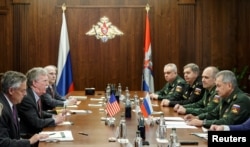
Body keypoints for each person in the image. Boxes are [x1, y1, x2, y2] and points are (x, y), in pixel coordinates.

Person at [184, 70, 250, 128]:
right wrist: (197, 117)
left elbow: (227, 122)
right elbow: (213, 113)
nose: (216, 89)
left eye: (218, 86)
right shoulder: (225, 96)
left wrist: (203, 122)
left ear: (229, 85)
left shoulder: (241, 99)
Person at [0, 71, 48, 147]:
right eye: (23, 90)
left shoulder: (12, 102)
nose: (25, 94)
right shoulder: (2, 109)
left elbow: (15, 137)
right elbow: (2, 142)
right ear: (11, 91)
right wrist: (30, 141)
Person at [17, 67, 65, 141]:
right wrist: (55, 120)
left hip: (35, 132)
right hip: (27, 136)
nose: (47, 83)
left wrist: (54, 114)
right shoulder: (27, 98)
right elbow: (36, 122)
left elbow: (38, 113)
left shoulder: (35, 94)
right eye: (45, 81)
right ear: (34, 83)